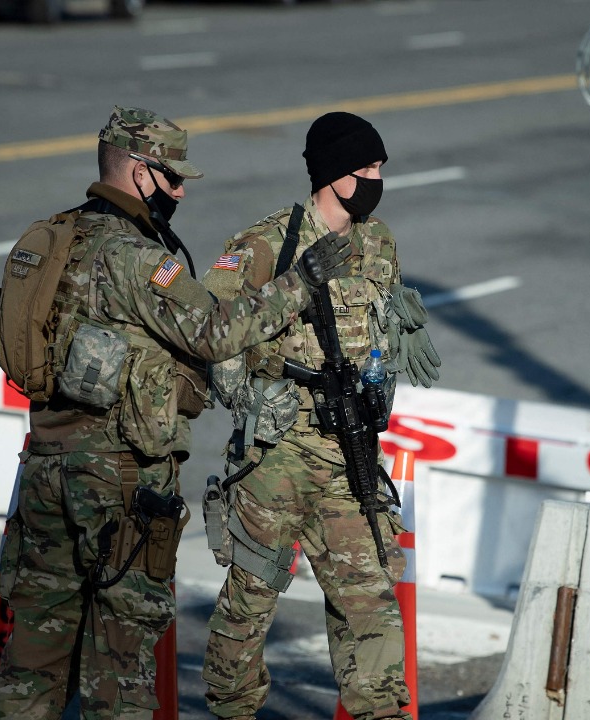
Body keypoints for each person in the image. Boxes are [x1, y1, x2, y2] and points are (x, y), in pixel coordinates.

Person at [0, 106, 355, 720]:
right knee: (121, 667)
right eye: (173, 177)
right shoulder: (138, 257)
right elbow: (215, 331)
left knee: (33, 658)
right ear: (139, 171)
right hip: (121, 480)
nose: (180, 192)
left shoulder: (50, 239)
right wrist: (301, 281)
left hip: (47, 466)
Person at [199, 111, 441, 720]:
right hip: (276, 459)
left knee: (371, 601)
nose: (376, 179)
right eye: (365, 168)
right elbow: (210, 332)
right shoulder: (265, 245)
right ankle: (231, 710)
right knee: (250, 603)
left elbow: (381, 323)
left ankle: (380, 711)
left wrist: (395, 347)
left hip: (349, 453)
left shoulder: (377, 241)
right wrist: (248, 399)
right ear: (332, 173)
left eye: (380, 167)